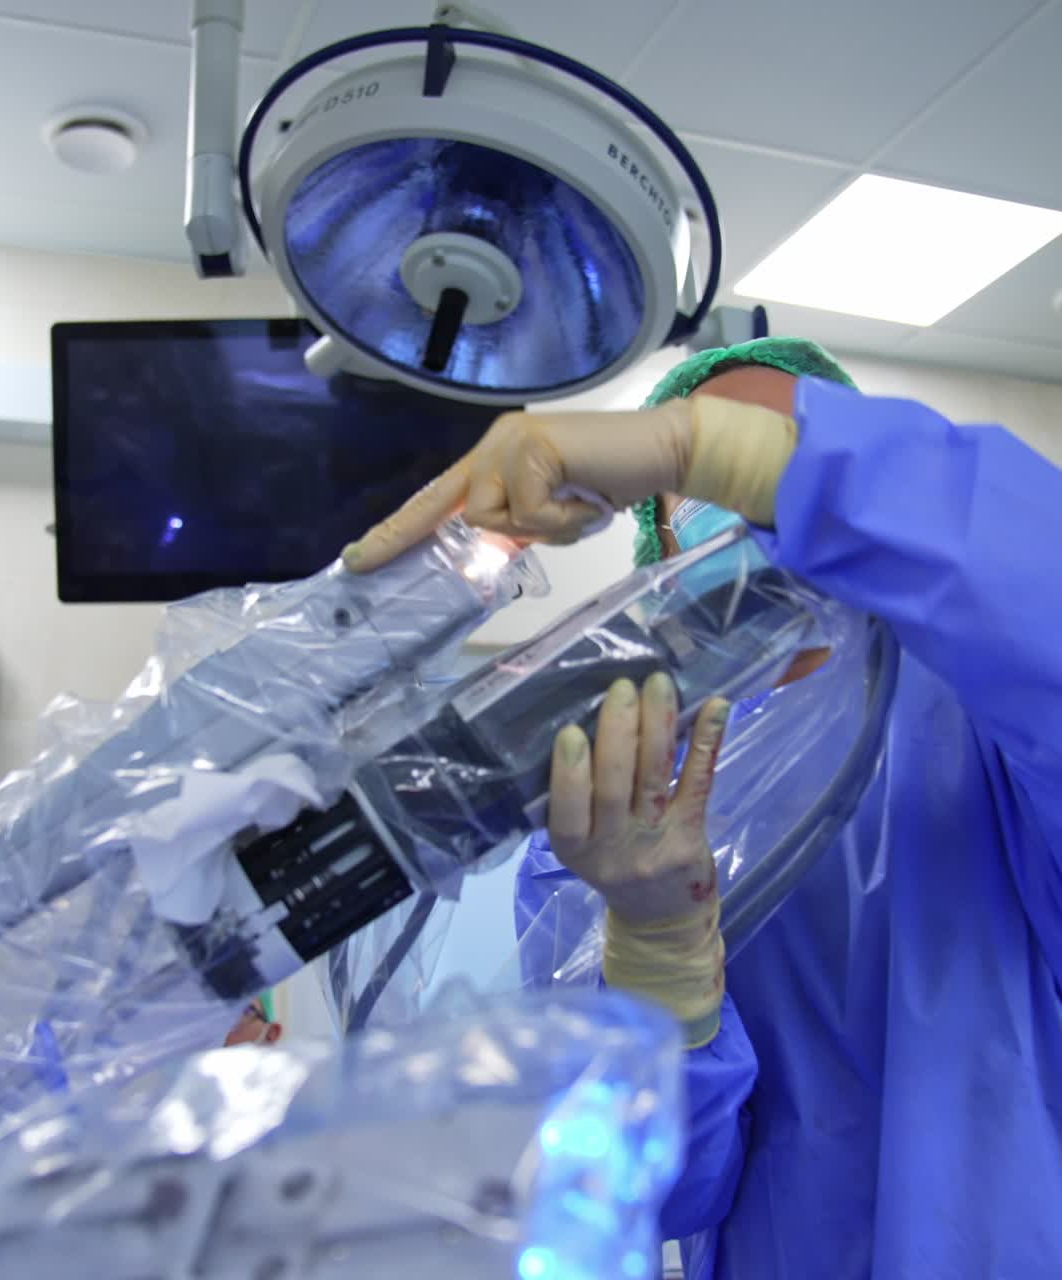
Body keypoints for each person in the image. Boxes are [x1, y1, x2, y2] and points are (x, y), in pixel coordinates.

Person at [341, 337, 1062, 1278]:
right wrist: (661, 970)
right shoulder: (611, 803)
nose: (762, 511)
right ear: (665, 546)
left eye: (764, 455)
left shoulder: (993, 727)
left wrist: (704, 452)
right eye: (704, 478)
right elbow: (653, 1193)